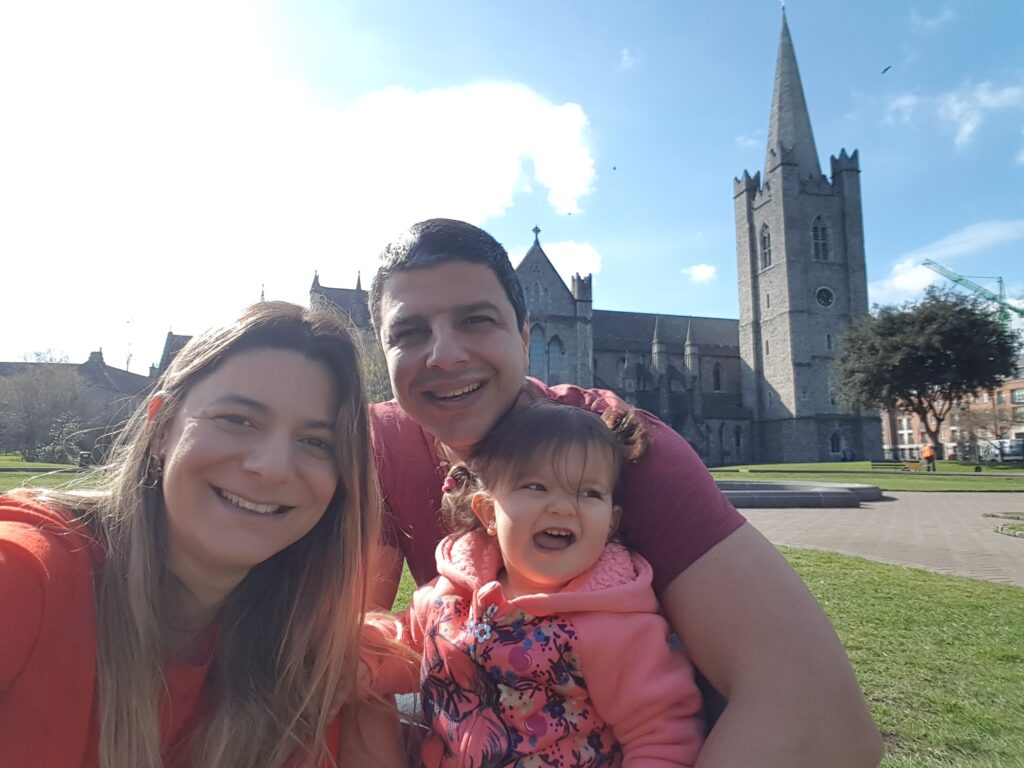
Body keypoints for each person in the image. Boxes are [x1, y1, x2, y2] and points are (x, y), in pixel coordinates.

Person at [366, 219, 884, 767]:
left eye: (476, 319)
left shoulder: (620, 447)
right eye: (409, 333)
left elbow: (825, 722)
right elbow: (337, 664)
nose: (444, 354)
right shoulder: (381, 444)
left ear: (524, 337)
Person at [0, 302, 404, 768]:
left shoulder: (310, 661)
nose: (271, 467)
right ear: (161, 428)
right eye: (238, 420)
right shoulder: (37, 571)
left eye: (316, 442)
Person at [371, 401, 704, 767]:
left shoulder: (617, 630)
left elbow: (662, 739)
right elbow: (401, 647)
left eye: (588, 493)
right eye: (536, 486)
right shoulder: (448, 597)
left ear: (611, 523)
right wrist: (359, 658)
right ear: (487, 512)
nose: (563, 507)